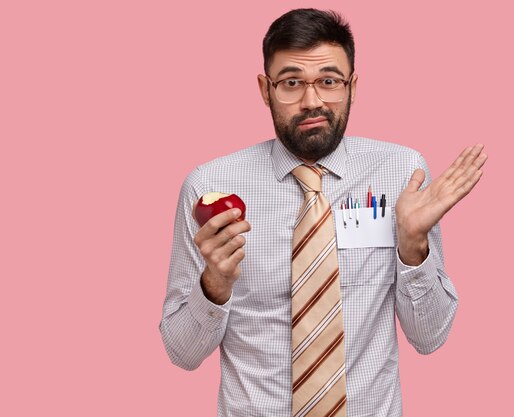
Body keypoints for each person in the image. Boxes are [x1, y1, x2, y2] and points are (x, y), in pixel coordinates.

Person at [160, 8, 487, 417]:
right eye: (292, 83)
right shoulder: (208, 187)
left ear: (353, 86)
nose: (312, 101)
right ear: (265, 89)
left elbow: (430, 336)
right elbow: (181, 353)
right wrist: (215, 284)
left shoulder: (403, 174)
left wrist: (414, 247)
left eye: (329, 81)